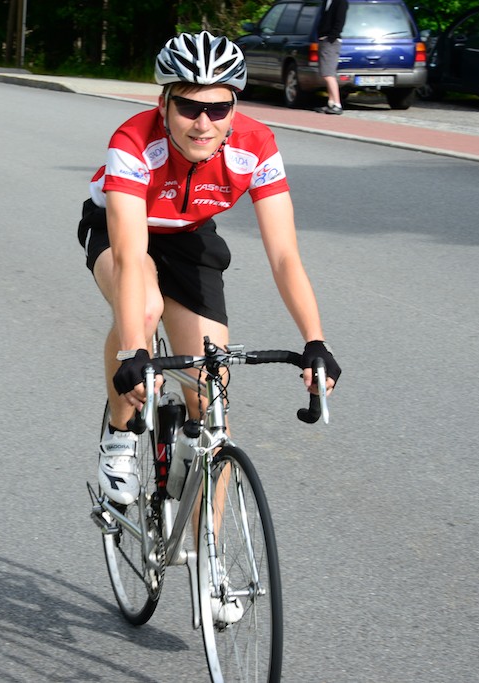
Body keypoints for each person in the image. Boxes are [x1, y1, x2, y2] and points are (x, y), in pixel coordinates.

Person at [80, 32, 341, 505]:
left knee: (210, 395)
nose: (203, 124)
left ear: (234, 108)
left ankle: (211, 549)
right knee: (145, 307)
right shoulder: (132, 142)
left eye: (218, 109)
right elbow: (130, 255)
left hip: (190, 236)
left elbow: (284, 255)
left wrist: (315, 342)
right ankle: (119, 435)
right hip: (120, 230)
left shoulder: (257, 146)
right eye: (188, 107)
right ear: (163, 104)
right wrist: (135, 351)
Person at [314, 0, 348, 115]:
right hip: (324, 40)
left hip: (331, 41)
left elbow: (340, 22)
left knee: (328, 74)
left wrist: (331, 38)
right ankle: (331, 103)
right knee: (327, 73)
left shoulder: (341, 2)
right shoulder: (326, 1)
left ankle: (337, 105)